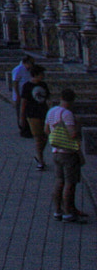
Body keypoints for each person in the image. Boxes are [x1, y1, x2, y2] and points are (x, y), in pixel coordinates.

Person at [46, 88, 86, 223]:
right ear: (72, 100)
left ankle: (58, 211)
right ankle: (68, 213)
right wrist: (77, 125)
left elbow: (46, 130)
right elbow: (72, 134)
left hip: (56, 152)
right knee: (70, 183)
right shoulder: (67, 114)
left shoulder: (51, 111)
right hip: (68, 153)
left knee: (59, 182)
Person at [19, 64, 52, 171]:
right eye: (41, 74)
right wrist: (22, 117)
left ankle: (39, 156)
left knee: (45, 136)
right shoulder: (27, 86)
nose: (43, 76)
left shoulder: (43, 85)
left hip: (44, 113)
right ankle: (41, 161)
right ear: (36, 75)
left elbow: (48, 99)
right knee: (38, 138)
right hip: (32, 114)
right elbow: (23, 102)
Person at [11, 56, 34, 135]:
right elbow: (15, 83)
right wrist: (17, 95)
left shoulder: (30, 70)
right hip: (20, 94)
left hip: (28, 94)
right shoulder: (18, 69)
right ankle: (22, 128)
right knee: (21, 111)